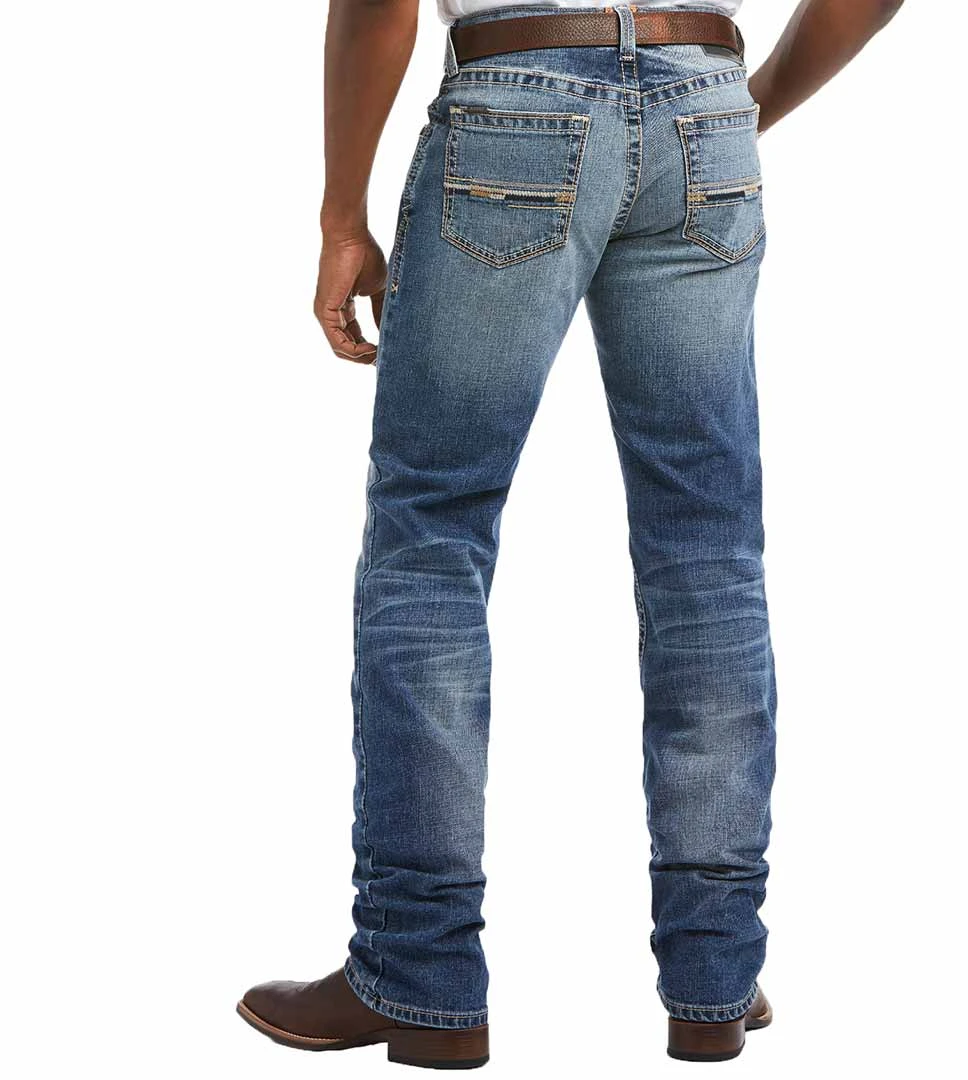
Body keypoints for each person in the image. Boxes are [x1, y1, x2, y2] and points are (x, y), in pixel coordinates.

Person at [237, 0, 903, 1068]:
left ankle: (418, 974)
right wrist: (741, 102)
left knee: (431, 544)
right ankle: (714, 976)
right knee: (707, 555)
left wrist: (341, 215)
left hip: (516, 106)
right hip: (705, 105)